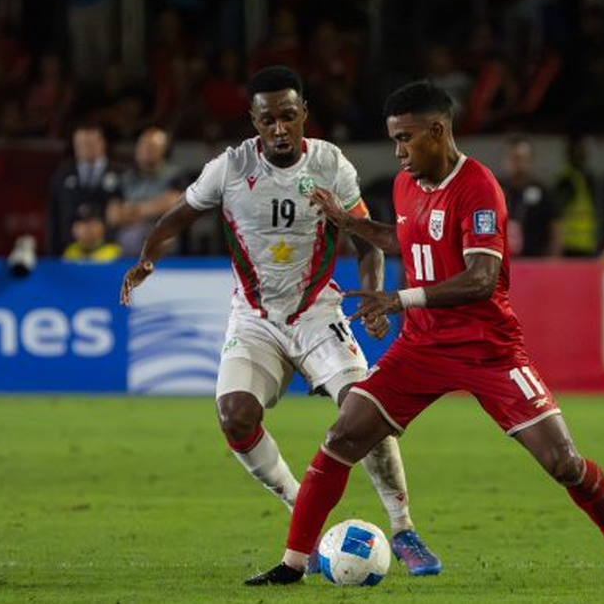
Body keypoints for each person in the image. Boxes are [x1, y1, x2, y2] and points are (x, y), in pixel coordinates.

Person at [245, 81, 604, 586]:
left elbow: (481, 278)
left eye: (405, 138)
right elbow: (405, 241)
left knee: (563, 462)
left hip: (488, 350)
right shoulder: (407, 184)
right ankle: (293, 565)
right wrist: (347, 223)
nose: (398, 152)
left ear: (438, 131)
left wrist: (401, 300)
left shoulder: (478, 188)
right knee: (342, 437)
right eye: (394, 140)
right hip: (421, 346)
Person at [119, 66, 440, 575]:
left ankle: (404, 530)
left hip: (317, 313)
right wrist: (146, 258)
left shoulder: (331, 163)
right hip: (254, 319)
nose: (279, 128)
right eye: (268, 119)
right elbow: (176, 217)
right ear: (254, 120)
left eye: (289, 116)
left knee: (366, 411)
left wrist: (376, 294)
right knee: (235, 416)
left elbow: (362, 238)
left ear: (303, 115)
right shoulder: (229, 167)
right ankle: (301, 513)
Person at [47, 123, 125, 256]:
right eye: (81, 144)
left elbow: (124, 212)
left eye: (90, 143)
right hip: (69, 253)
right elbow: (54, 215)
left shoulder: (121, 173)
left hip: (111, 253)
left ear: (102, 143)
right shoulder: (62, 174)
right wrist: (53, 253)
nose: (86, 148)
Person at [108, 127, 186, 256]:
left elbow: (173, 204)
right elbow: (113, 216)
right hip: (127, 251)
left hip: (164, 248)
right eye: (143, 145)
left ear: (164, 150)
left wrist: (132, 210)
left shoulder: (175, 175)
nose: (146, 150)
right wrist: (154, 206)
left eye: (152, 147)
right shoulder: (125, 177)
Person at [498, 136, 561, 257]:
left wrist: (552, 263)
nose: (518, 164)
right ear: (505, 160)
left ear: (531, 160)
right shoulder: (493, 189)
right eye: (514, 158)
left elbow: (556, 230)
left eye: (523, 159)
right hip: (501, 264)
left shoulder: (544, 192)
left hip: (535, 263)